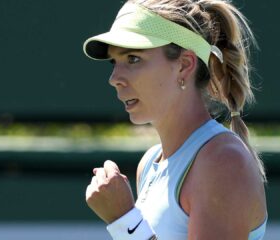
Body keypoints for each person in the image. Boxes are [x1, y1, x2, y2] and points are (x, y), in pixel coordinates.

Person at [83, 0, 267, 239]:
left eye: (133, 59)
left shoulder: (224, 162)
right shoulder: (148, 164)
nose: (114, 78)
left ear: (184, 65)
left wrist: (124, 220)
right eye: (114, 62)